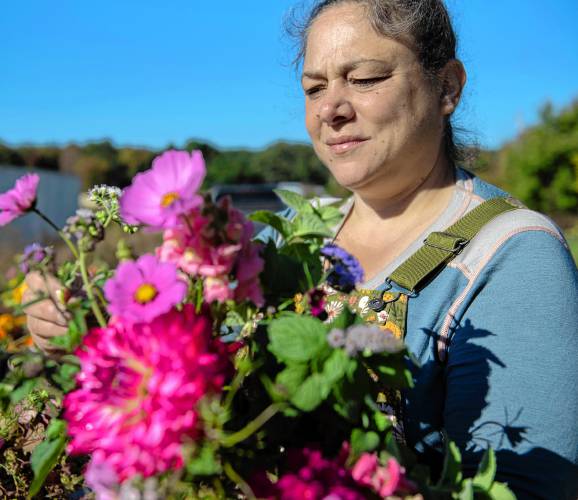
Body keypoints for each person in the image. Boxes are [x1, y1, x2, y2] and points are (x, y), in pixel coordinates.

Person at [23, 1, 578, 498]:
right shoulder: (285, 240)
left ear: (447, 88)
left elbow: (524, 486)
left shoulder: (512, 255)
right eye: (314, 88)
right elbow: (191, 376)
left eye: (364, 78)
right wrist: (80, 321)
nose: (330, 109)